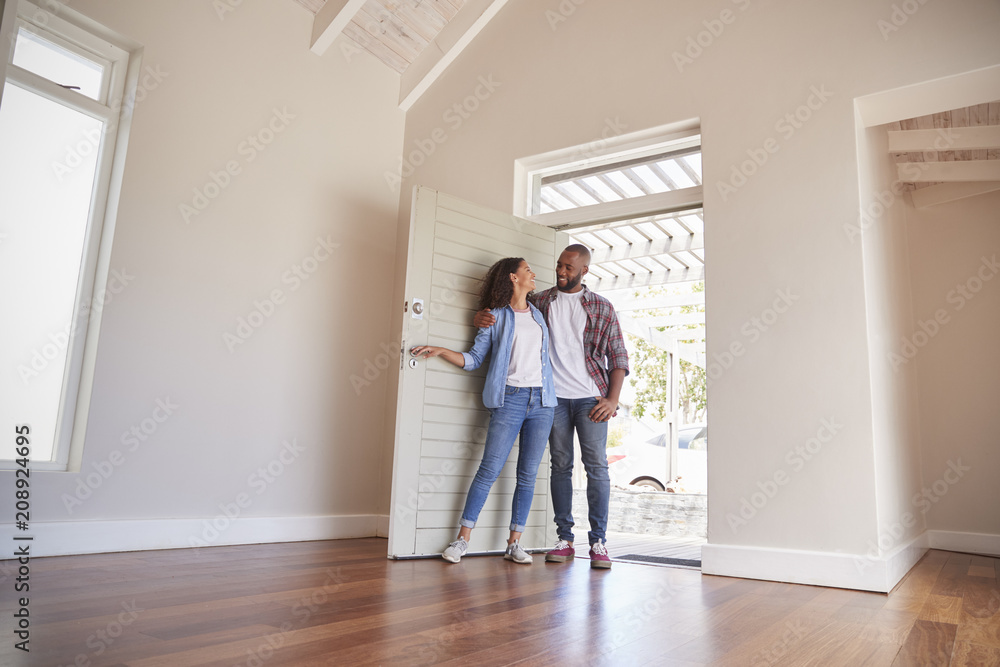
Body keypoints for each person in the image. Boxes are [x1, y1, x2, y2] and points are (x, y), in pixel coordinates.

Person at [473, 244, 628, 569]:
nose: (561, 271)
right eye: (559, 265)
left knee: (596, 467)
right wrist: (481, 316)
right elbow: (508, 311)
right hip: (551, 398)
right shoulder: (541, 300)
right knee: (560, 466)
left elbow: (617, 356)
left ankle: (598, 541)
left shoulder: (601, 306)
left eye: (569, 268)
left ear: (584, 270)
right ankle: (565, 539)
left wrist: (612, 399)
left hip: (591, 399)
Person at [411, 257, 556, 565]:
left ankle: (514, 543)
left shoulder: (540, 316)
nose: (534, 274)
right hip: (510, 399)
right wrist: (440, 350)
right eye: (527, 270)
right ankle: (462, 540)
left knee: (528, 476)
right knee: (488, 471)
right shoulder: (495, 317)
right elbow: (475, 359)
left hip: (543, 402)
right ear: (513, 278)